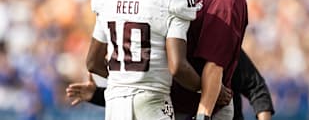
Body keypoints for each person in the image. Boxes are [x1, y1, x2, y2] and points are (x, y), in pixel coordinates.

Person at [84, 0, 210, 120]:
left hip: (116, 104)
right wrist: (207, 89)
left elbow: (93, 62)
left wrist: (125, 80)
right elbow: (177, 66)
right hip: (153, 101)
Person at [66, 49, 274, 120]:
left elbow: (255, 87)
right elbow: (144, 95)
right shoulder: (161, 53)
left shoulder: (218, 46)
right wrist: (95, 95)